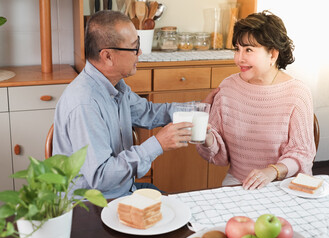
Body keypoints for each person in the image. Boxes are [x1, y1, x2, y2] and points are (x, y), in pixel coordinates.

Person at [53, 10, 215, 199]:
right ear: (107, 56)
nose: (140, 53)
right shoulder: (85, 103)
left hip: (123, 190)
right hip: (93, 207)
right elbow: (101, 177)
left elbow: (147, 112)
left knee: (183, 209)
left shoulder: (115, 85)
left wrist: (197, 108)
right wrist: (158, 144)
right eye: (134, 47)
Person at [197, 10, 316, 190]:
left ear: (273, 54)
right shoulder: (228, 88)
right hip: (239, 184)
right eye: (237, 49)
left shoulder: (297, 93)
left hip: (284, 185)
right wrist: (205, 136)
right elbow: (219, 156)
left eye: (249, 50)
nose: (239, 58)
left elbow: (302, 153)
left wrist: (272, 171)